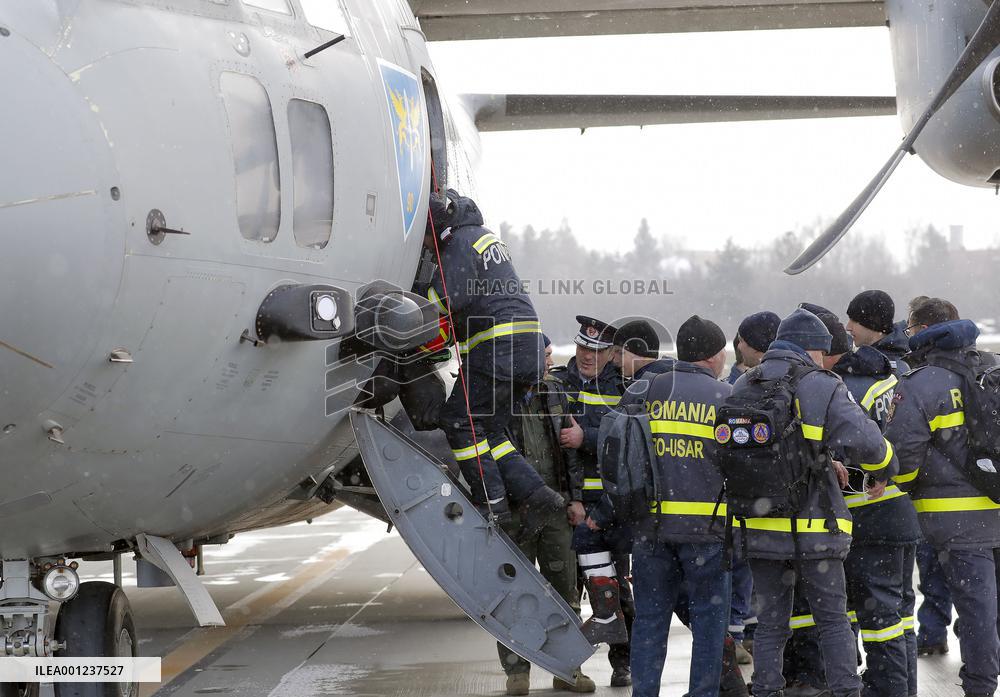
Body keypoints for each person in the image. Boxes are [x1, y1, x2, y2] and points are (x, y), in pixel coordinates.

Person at [730, 308, 897, 697]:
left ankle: (767, 690)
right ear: (812, 350)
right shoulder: (818, 383)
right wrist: (888, 464)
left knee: (771, 623)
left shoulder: (744, 383)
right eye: (822, 353)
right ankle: (846, 691)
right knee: (833, 620)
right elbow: (867, 442)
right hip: (813, 527)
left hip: (759, 526)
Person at [420, 190, 565, 535]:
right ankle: (537, 495)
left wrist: (411, 300)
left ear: (435, 227)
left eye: (425, 241)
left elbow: (444, 298)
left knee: (458, 421)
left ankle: (492, 504)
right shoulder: (482, 237)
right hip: (524, 347)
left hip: (497, 349)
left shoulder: (457, 243)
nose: (426, 248)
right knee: (490, 429)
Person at [798, 305, 921, 697]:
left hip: (863, 513)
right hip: (898, 512)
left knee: (872, 617)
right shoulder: (894, 373)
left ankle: (880, 689)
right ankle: (901, 689)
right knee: (898, 617)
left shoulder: (843, 387)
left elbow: (859, 446)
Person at [885, 314, 1000, 697]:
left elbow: (902, 453)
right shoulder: (991, 369)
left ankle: (980, 688)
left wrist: (911, 483)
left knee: (976, 612)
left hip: (955, 521)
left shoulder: (921, 384)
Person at [628, 315, 733, 697]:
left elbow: (619, 457)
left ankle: (644, 693)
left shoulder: (644, 391)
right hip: (707, 531)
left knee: (650, 622)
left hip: (650, 530)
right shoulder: (726, 398)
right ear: (716, 356)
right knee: (709, 625)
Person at [498, 336, 596, 696]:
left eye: (550, 357)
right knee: (513, 594)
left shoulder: (553, 393)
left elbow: (568, 450)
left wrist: (575, 498)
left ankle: (569, 667)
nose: (548, 363)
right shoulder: (496, 397)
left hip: (555, 508)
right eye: (544, 356)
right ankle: (516, 672)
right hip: (515, 511)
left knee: (565, 590)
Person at [558, 315, 633, 688]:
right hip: (567, 506)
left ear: (611, 353)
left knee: (614, 589)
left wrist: (584, 437)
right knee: (566, 593)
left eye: (598, 350)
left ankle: (624, 662)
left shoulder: (624, 387)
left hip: (608, 510)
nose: (588, 355)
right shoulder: (556, 384)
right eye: (584, 347)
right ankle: (570, 665)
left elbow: (625, 438)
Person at [903, 297, 959, 656]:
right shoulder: (980, 370)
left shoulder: (920, 379)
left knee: (935, 576)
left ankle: (933, 634)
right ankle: (980, 647)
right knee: (981, 587)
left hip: (933, 500)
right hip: (984, 503)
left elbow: (907, 445)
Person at [728, 310, 781, 659]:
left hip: (754, 494)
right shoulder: (791, 379)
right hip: (773, 495)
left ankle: (748, 632)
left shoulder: (739, 386)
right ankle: (748, 631)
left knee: (747, 566)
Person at [845, 290, 910, 375]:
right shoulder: (864, 362)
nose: (848, 327)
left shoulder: (891, 371)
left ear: (872, 323)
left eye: (854, 321)